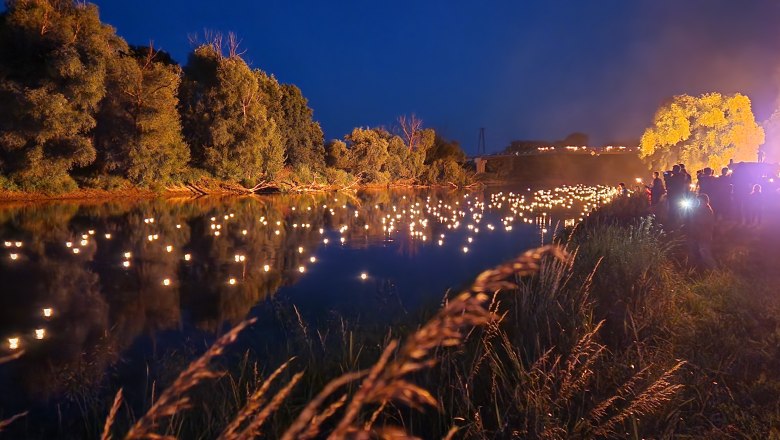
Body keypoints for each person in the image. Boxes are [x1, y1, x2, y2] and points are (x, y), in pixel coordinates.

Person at [689, 193, 716, 269]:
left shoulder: (707, 211)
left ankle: (714, 270)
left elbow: (703, 223)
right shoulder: (700, 210)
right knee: (697, 254)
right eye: (698, 201)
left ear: (706, 202)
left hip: (704, 236)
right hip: (697, 235)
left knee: (706, 255)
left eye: (701, 202)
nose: (699, 203)